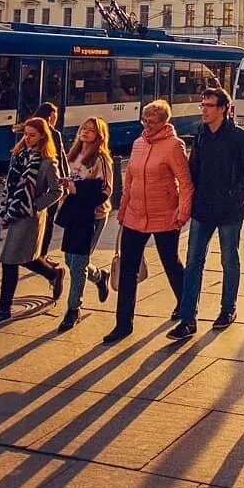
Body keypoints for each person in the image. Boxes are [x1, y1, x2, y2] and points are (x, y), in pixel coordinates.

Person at [167, 87, 244, 339]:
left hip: (230, 211)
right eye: (203, 105)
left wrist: (232, 195)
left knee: (229, 260)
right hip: (203, 208)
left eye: (209, 105)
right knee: (194, 262)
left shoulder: (238, 136)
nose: (204, 110)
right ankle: (188, 319)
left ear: (223, 109)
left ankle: (227, 309)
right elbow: (193, 168)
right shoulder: (201, 134)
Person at [103, 100, 192, 345]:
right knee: (128, 270)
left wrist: (182, 213)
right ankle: (123, 324)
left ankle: (186, 309)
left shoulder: (174, 146)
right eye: (145, 121)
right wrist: (122, 210)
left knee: (171, 263)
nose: (147, 126)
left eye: (152, 122)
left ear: (165, 122)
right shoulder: (138, 144)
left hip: (164, 216)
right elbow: (129, 178)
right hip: (134, 215)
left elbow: (185, 182)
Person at [0, 117, 64, 326]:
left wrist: (35, 205)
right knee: (25, 258)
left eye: (32, 135)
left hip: (30, 217)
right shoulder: (19, 155)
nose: (27, 138)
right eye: (25, 134)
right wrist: (6, 206)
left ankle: (3, 309)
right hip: (14, 212)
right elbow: (11, 183)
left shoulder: (47, 162)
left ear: (43, 136)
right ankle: (53, 273)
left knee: (9, 260)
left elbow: (57, 190)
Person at [58, 118, 114, 332]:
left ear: (99, 136)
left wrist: (76, 189)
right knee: (70, 261)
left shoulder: (101, 159)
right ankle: (100, 276)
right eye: (84, 129)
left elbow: (105, 191)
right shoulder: (73, 156)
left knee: (79, 262)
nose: (86, 133)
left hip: (93, 215)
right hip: (73, 212)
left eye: (91, 130)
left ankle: (74, 309)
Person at [34, 101, 69, 263]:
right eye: (55, 115)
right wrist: (65, 182)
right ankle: (43, 255)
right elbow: (60, 158)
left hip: (34, 184)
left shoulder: (31, 131)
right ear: (50, 117)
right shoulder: (53, 134)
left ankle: (33, 252)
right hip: (51, 184)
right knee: (48, 221)